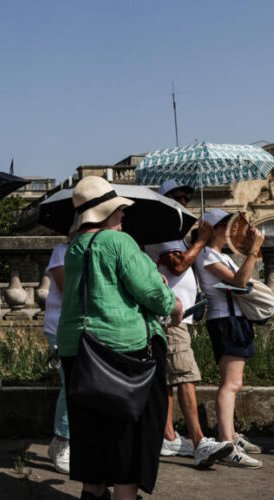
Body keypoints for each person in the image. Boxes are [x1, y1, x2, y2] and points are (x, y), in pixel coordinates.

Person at [57, 176, 182, 500]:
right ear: (105, 212)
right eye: (119, 210)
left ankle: (94, 493)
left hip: (78, 350)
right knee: (129, 436)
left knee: (90, 436)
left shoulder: (74, 248)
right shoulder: (118, 243)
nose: (123, 215)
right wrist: (173, 302)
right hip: (123, 352)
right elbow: (153, 292)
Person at [143, 181, 234, 468]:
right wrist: (201, 241)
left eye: (187, 196)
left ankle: (169, 435)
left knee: (170, 378)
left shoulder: (173, 232)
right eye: (177, 196)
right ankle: (199, 441)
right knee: (185, 376)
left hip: (175, 315)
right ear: (165, 199)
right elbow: (178, 265)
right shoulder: (163, 230)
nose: (184, 201)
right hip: (171, 317)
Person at [194, 208, 265, 469]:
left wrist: (249, 251)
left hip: (233, 319)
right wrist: (252, 250)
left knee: (234, 381)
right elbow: (240, 281)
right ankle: (227, 441)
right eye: (225, 226)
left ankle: (231, 436)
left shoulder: (219, 255)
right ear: (213, 229)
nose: (230, 230)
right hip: (225, 320)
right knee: (230, 383)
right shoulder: (207, 256)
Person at [44, 229, 71, 474]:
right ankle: (61, 441)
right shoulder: (62, 251)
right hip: (61, 326)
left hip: (88, 326)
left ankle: (64, 441)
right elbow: (68, 289)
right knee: (70, 384)